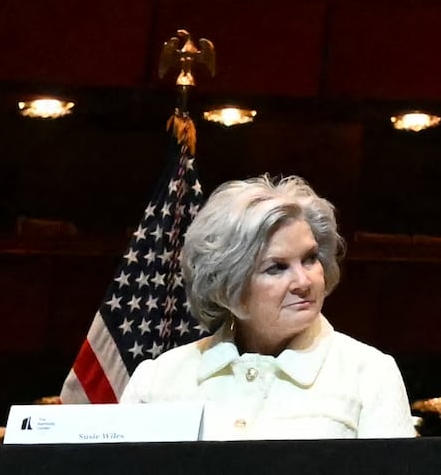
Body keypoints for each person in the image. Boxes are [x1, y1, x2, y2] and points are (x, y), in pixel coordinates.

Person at [122, 175, 416, 437]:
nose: (304, 280)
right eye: (276, 267)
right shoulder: (159, 379)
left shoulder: (369, 373)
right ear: (227, 286)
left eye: (310, 258)